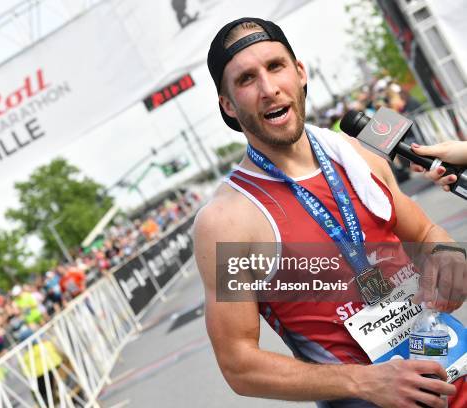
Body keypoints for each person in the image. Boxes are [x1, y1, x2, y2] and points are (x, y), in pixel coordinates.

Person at [194, 17, 465, 407]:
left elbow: (425, 235)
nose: (269, 89)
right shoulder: (227, 221)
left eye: (275, 66)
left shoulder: (358, 153)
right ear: (228, 105)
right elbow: (239, 363)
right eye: (246, 80)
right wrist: (365, 383)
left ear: (299, 72)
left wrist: (449, 258)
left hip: (453, 372)